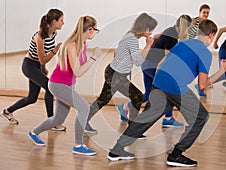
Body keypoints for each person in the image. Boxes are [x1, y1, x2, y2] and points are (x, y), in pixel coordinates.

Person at [107, 19, 226, 167]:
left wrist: (158, 84)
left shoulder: (183, 43)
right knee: (201, 116)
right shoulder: (205, 52)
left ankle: (116, 150)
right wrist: (222, 71)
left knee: (147, 117)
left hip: (159, 80)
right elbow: (202, 85)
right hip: (174, 85)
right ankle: (176, 154)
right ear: (211, 35)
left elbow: (161, 63)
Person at [28, 16, 102, 156]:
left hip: (68, 85)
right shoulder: (72, 46)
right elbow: (78, 72)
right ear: (90, 29)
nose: (95, 32)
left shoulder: (82, 43)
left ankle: (34, 132)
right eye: (95, 30)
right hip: (58, 84)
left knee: (58, 119)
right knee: (84, 107)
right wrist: (94, 57)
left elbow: (76, 71)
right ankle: (78, 145)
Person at [84, 13, 158, 134]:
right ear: (145, 27)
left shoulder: (129, 35)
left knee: (103, 99)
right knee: (138, 97)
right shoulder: (132, 39)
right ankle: (132, 130)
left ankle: (84, 122)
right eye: (151, 29)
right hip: (116, 75)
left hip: (112, 72)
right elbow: (138, 62)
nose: (151, 32)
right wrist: (149, 45)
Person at [117, 14, 192, 128]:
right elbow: (167, 57)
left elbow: (158, 36)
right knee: (169, 90)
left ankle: (125, 107)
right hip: (153, 65)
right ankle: (168, 118)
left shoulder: (170, 30)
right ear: (185, 27)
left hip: (146, 64)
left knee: (148, 93)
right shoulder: (172, 36)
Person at [1, 9, 66, 130]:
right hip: (29, 66)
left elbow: (42, 57)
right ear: (54, 21)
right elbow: (42, 58)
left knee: (32, 98)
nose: (63, 23)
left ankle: (7, 111)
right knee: (50, 87)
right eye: (61, 20)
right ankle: (51, 122)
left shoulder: (53, 34)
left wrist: (43, 68)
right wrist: (55, 51)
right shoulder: (39, 37)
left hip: (37, 66)